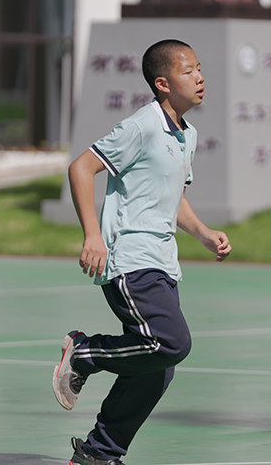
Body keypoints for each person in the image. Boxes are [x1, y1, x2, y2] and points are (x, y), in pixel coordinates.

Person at [53, 39, 232, 465]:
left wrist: (203, 233)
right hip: (129, 259)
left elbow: (172, 197)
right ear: (163, 83)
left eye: (200, 68)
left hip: (163, 262)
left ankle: (99, 454)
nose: (200, 77)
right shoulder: (142, 125)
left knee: (157, 368)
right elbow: (82, 168)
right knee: (170, 343)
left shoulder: (187, 134)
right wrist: (92, 235)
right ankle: (85, 353)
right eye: (188, 71)